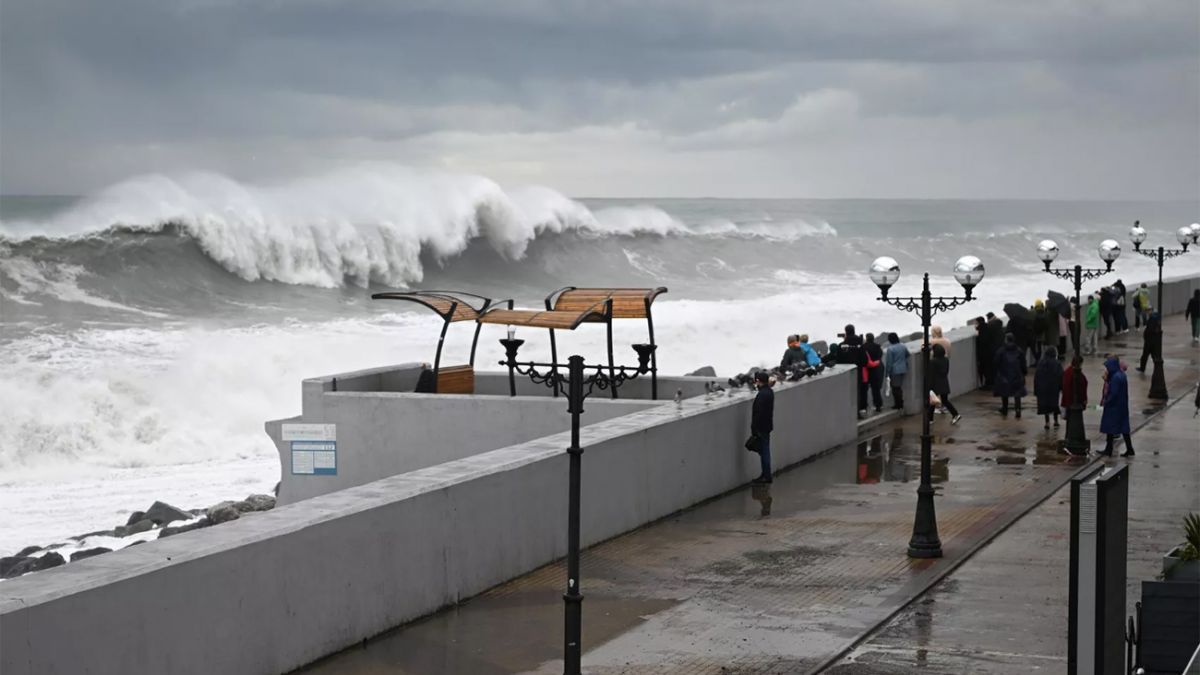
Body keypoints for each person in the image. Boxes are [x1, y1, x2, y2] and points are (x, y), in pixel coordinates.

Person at [1100, 356, 1133, 457]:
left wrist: (1107, 401)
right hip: (1122, 405)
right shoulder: (1121, 375)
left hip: (1114, 407)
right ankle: (1129, 448)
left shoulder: (1115, 378)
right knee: (1124, 428)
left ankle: (1109, 449)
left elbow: (1113, 393)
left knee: (1110, 428)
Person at [836, 324, 869, 418]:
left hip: (845, 372)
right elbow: (865, 360)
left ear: (846, 332)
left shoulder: (842, 345)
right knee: (857, 391)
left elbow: (838, 360)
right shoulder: (860, 345)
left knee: (846, 392)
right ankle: (857, 412)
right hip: (858, 371)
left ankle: (847, 413)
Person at [993, 333, 1028, 418]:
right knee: (1017, 393)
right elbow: (1023, 363)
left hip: (1004, 375)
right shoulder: (1019, 350)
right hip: (1017, 375)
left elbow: (996, 362)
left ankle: (1005, 409)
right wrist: (1024, 372)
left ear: (1006, 340)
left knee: (1004, 392)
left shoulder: (1001, 350)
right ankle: (1018, 410)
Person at [750, 370, 775, 483]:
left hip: (761, 427)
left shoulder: (762, 395)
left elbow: (758, 412)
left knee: (764, 452)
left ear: (759, 381)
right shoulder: (769, 392)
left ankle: (766, 476)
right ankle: (765, 474)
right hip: (767, 426)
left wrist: (754, 428)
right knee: (765, 451)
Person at [1061, 354, 1088, 455]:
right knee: (1072, 423)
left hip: (1068, 402)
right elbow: (1080, 387)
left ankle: (1068, 437)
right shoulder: (1075, 374)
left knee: (1069, 423)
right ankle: (1071, 439)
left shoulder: (1067, 372)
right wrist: (1083, 401)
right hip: (1073, 403)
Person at [928, 343, 961, 424]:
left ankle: (930, 419)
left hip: (935, 383)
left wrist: (929, 386)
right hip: (944, 382)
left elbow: (931, 374)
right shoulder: (946, 360)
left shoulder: (933, 362)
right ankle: (955, 414)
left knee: (932, 401)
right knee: (945, 401)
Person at [1034, 346, 1063, 429]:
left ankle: (1047, 422)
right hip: (1054, 387)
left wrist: (1036, 389)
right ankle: (1056, 421)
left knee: (1045, 405)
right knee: (1054, 404)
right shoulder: (1057, 363)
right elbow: (1061, 376)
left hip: (1043, 388)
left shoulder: (1041, 363)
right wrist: (1061, 387)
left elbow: (1037, 377)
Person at [884, 332, 910, 410]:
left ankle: (898, 404)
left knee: (895, 388)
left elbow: (889, 363)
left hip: (895, 371)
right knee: (898, 387)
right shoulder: (903, 346)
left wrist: (887, 373)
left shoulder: (890, 349)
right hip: (903, 368)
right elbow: (907, 354)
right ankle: (899, 403)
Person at [864, 333, 885, 413]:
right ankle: (878, 405)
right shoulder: (877, 347)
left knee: (864, 389)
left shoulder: (864, 347)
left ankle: (864, 407)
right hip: (877, 368)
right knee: (876, 389)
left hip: (867, 369)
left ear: (866, 338)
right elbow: (880, 356)